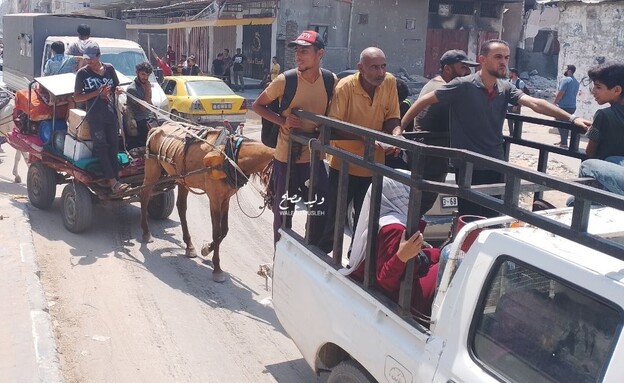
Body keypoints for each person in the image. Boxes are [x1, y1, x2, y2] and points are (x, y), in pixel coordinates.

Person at [401, 39, 591, 218]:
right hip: (469, 166)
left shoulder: (505, 87)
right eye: (498, 57)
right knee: (470, 218)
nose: (504, 62)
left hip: (496, 162)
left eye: (506, 57)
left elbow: (535, 103)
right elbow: (423, 100)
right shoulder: (462, 85)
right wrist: (399, 129)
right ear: (482, 60)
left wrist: (571, 118)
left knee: (493, 217)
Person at [252, 30, 336, 245]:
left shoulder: (330, 81)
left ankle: (312, 251)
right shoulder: (285, 80)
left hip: (314, 158)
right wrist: (283, 121)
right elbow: (257, 105)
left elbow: (331, 115)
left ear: (320, 54)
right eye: (297, 51)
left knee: (321, 209)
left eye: (305, 51)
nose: (298, 55)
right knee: (283, 214)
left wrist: (323, 131)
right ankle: (280, 255)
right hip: (285, 159)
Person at [318, 47, 401, 253]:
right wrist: (365, 138)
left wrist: (397, 136)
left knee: (367, 221)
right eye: (374, 67)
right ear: (360, 68)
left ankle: (356, 261)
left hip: (375, 164)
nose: (380, 72)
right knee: (334, 217)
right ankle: (324, 256)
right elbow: (334, 124)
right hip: (345, 162)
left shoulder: (389, 82)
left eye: (383, 66)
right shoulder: (345, 87)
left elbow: (392, 117)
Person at [344, 171, 439, 326]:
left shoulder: (384, 217)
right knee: (448, 270)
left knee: (441, 256)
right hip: (400, 298)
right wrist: (401, 256)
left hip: (400, 285)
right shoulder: (395, 227)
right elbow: (386, 280)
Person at [413, 49, 478, 214]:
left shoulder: (438, 84)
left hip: (432, 150)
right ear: (448, 69)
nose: (468, 72)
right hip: (431, 152)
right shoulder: (444, 88)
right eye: (463, 67)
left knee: (420, 204)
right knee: (420, 204)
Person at [73, 41, 128, 194]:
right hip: (95, 115)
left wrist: (117, 90)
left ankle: (116, 179)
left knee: (114, 146)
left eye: (91, 58)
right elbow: (77, 97)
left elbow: (115, 86)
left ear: (98, 56)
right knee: (101, 147)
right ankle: (113, 182)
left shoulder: (109, 69)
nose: (89, 61)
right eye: (87, 58)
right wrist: (97, 93)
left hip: (110, 113)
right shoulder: (82, 73)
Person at [578, 63, 624, 196]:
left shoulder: (603, 115)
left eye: (598, 87)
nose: (593, 91)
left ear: (616, 90)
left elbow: (590, 151)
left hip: (610, 180)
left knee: (587, 165)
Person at [125, 62, 154, 150]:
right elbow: (143, 109)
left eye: (147, 75)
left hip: (149, 118)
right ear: (137, 73)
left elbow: (149, 103)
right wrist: (148, 90)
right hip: (140, 121)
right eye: (143, 74)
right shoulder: (132, 89)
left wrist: (155, 115)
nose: (145, 78)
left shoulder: (145, 85)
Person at [553, 64, 580, 148]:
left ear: (569, 71)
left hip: (563, 106)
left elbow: (561, 93)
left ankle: (564, 143)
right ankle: (563, 140)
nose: (564, 70)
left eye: (565, 69)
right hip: (572, 106)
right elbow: (574, 94)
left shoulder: (565, 80)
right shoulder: (576, 82)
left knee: (560, 124)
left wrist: (554, 102)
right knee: (566, 124)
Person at [506, 68, 525, 135]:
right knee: (509, 121)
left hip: (515, 105)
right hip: (508, 105)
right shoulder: (508, 81)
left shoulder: (520, 82)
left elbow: (521, 95)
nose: (509, 74)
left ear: (513, 74)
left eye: (510, 73)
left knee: (517, 120)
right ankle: (511, 134)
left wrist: (516, 105)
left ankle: (517, 135)